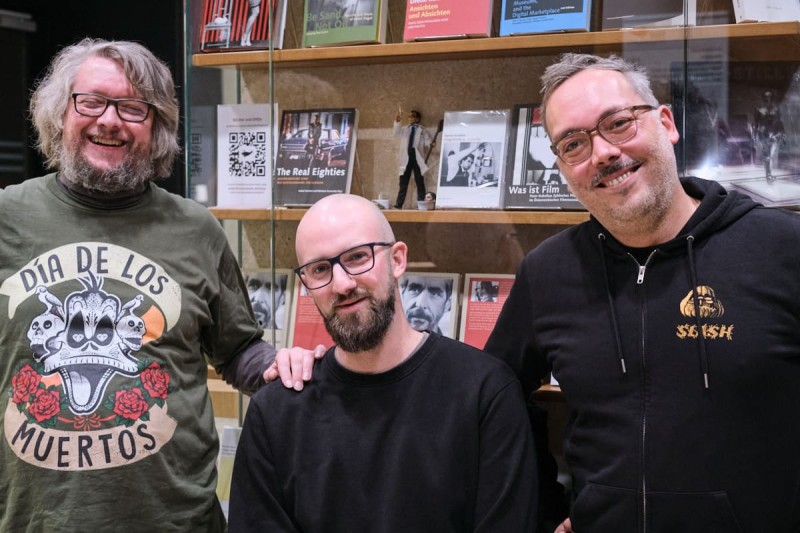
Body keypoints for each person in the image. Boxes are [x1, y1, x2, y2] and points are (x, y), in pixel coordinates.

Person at [0, 38, 316, 532]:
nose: (110, 119)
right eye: (92, 101)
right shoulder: (7, 217)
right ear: (61, 112)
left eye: (133, 108)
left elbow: (237, 351)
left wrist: (283, 366)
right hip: (36, 520)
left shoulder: (197, 229)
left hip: (175, 520)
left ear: (157, 128)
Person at [483, 53, 800, 532]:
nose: (604, 152)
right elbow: (493, 398)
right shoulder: (547, 273)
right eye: (573, 143)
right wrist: (543, 509)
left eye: (618, 123)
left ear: (667, 123)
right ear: (563, 167)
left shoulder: (782, 250)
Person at [229, 193, 538, 532]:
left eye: (358, 257)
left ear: (398, 260)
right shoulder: (275, 413)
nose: (343, 284)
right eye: (320, 269)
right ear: (306, 285)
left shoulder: (485, 393)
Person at [393, 109, 434, 209]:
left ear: (418, 119)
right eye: (409, 116)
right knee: (403, 182)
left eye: (413, 116)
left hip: (417, 158)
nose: (411, 118)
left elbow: (428, 141)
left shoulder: (422, 130)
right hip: (406, 158)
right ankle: (399, 204)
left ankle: (421, 204)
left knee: (419, 181)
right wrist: (397, 122)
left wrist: (431, 144)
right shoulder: (404, 129)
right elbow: (396, 133)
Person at [751, 89, 785, 183]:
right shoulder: (759, 108)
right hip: (763, 133)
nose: (768, 98)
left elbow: (780, 121)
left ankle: (769, 174)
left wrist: (782, 133)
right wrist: (754, 136)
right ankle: (768, 175)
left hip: (774, 133)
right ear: (763, 97)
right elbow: (755, 123)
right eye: (766, 96)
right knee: (767, 155)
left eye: (769, 96)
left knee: (771, 155)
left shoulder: (776, 108)